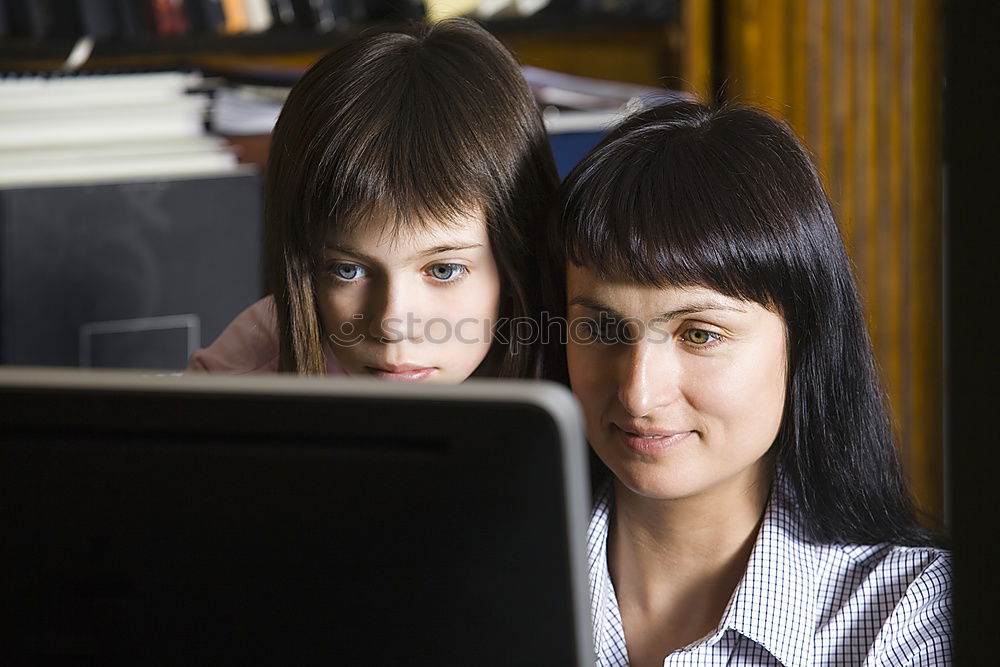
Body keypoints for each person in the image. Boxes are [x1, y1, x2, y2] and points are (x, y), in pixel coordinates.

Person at [546, 102, 951, 666]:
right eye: (603, 328)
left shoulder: (908, 619)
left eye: (700, 334)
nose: (639, 394)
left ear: (803, 339)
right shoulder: (479, 570)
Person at [188, 18, 558, 380]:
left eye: (444, 270)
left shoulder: (588, 364)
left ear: (518, 257)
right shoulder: (245, 372)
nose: (392, 326)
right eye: (347, 270)